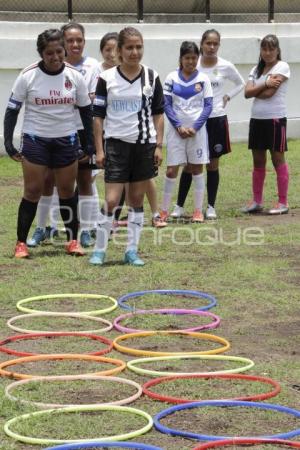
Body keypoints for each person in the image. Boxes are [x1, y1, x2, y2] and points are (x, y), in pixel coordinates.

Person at [3, 28, 94, 258]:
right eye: (49, 53)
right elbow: (12, 111)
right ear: (41, 54)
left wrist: (89, 144)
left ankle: (73, 241)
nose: (55, 58)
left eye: (59, 52)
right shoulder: (28, 75)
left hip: (66, 140)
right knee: (33, 190)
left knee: (66, 191)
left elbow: (85, 112)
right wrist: (9, 142)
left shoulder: (75, 76)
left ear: (64, 50)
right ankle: (21, 243)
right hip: (36, 140)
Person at [90, 26, 164, 266]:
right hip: (116, 146)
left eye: (138, 47)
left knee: (136, 200)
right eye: (129, 47)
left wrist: (158, 145)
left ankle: (131, 251)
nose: (135, 52)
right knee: (111, 200)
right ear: (120, 50)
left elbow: (158, 115)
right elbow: (98, 117)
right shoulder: (106, 78)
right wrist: (100, 150)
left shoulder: (152, 77)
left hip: (144, 146)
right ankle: (99, 250)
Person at [27, 22, 100, 249]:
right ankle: (44, 227)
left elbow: (90, 102)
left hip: (83, 130)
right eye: (70, 40)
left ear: (84, 42)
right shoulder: (48, 68)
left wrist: (91, 140)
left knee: (85, 180)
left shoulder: (92, 66)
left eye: (79, 40)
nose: (74, 44)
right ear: (62, 43)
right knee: (48, 180)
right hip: (56, 131)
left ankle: (86, 229)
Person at [171, 29, 245, 220]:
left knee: (212, 164)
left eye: (215, 44)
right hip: (194, 122)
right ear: (202, 44)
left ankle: (210, 206)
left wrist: (228, 96)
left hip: (216, 119)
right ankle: (179, 206)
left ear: (219, 45)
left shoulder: (226, 66)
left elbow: (240, 83)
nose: (211, 47)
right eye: (208, 43)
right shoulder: (194, 64)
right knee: (189, 165)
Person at [160, 41, 213, 223]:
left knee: (197, 168)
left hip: (197, 133)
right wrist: (178, 126)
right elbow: (166, 104)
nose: (190, 61)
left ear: (198, 58)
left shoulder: (203, 79)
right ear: (181, 59)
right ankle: (164, 210)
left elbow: (208, 106)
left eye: (193, 58)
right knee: (171, 170)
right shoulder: (171, 77)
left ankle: (198, 211)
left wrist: (195, 127)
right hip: (176, 133)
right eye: (187, 58)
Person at [242, 34, 290, 215]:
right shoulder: (256, 69)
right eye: (264, 49)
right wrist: (265, 82)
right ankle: (256, 201)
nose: (268, 52)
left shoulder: (282, 66)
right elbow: (247, 93)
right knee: (258, 160)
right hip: (257, 120)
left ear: (278, 50)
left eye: (272, 49)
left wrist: (257, 88)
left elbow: (269, 94)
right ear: (260, 50)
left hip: (275, 119)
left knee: (277, 159)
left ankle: (283, 202)